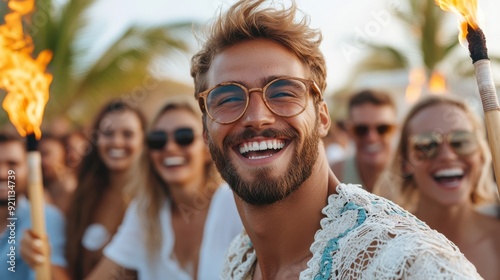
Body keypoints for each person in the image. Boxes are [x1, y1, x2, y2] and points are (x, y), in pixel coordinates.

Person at [190, 0, 483, 278]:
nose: (256, 117)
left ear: (323, 117)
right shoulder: (239, 258)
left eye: (282, 92)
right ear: (205, 130)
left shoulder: (410, 263)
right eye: (227, 97)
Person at [87, 94, 243, 279]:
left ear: (207, 148)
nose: (169, 147)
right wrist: (45, 257)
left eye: (183, 136)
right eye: (158, 140)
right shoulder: (144, 212)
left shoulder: (236, 204)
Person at [374, 95, 500, 279]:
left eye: (461, 141)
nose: (447, 156)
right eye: (426, 144)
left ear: (480, 156)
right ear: (405, 163)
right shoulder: (382, 248)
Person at [63, 100, 146, 279]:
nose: (117, 142)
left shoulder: (151, 201)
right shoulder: (81, 196)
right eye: (108, 133)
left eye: (128, 134)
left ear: (143, 140)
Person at [0, 131, 68, 280]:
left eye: (13, 164)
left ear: (28, 168)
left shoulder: (44, 218)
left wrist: (41, 259)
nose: (3, 173)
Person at [331, 89, 398, 192]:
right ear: (350, 131)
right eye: (361, 129)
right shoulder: (332, 178)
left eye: (382, 129)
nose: (372, 137)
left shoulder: (414, 178)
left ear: (395, 130)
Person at [38, 132, 77, 215]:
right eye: (38, 155)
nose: (41, 161)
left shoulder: (71, 189)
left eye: (46, 154)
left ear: (64, 154)